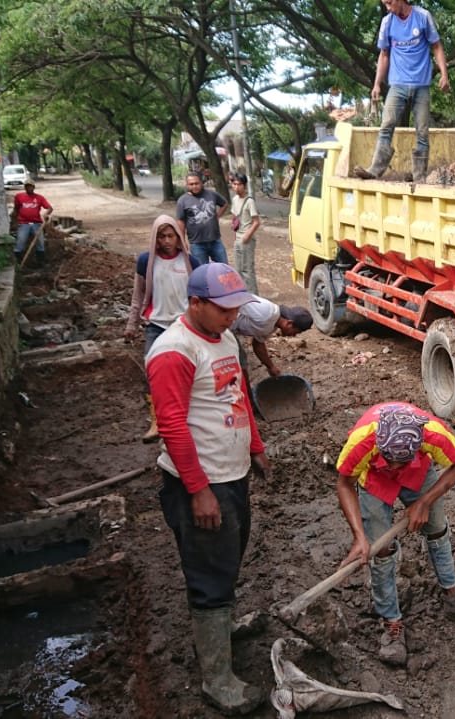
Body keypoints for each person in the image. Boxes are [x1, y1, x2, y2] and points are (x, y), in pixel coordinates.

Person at [146, 262, 269, 715]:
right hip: (200, 484)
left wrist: (255, 446)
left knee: (229, 557)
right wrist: (199, 490)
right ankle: (217, 680)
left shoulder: (227, 338)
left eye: (237, 309)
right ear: (195, 303)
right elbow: (172, 425)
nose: (232, 317)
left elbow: (239, 394)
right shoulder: (173, 351)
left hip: (231, 476)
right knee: (209, 575)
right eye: (223, 310)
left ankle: (223, 627)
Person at [335, 401, 455, 666]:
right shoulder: (362, 442)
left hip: (418, 471)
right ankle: (391, 621)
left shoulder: (433, 435)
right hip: (374, 477)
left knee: (436, 528)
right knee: (380, 548)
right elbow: (344, 483)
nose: (395, 469)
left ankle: (453, 597)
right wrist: (360, 537)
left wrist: (424, 502)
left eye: (400, 463)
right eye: (392, 462)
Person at [352, 0, 450, 182]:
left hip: (421, 85)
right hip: (397, 85)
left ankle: (419, 177)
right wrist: (377, 84)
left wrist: (444, 75)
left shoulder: (423, 17)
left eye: (389, 3)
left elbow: (436, 46)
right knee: (386, 125)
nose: (387, 8)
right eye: (385, 4)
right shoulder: (387, 23)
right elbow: (384, 55)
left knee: (422, 131)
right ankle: (374, 170)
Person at [124, 215, 200, 442]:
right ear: (155, 238)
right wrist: (131, 324)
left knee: (191, 370)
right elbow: (138, 295)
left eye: (171, 236)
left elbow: (199, 297)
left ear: (179, 237)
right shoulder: (146, 262)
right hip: (156, 325)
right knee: (152, 371)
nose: (167, 241)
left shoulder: (190, 262)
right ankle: (158, 419)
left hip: (184, 325)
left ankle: (190, 414)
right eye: (161, 236)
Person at [230, 297, 313, 379]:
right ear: (289, 323)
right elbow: (236, 299)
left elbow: (258, 344)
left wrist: (271, 367)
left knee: (241, 361)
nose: (293, 335)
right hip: (220, 327)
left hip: (227, 330)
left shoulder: (272, 327)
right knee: (238, 359)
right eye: (295, 332)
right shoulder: (266, 311)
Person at [176, 173, 229, 265]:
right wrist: (182, 241)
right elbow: (181, 222)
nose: (194, 186)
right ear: (187, 185)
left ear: (201, 183)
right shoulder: (182, 200)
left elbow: (224, 204)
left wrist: (217, 216)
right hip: (197, 244)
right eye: (191, 184)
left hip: (215, 241)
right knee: (201, 272)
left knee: (223, 269)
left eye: (197, 183)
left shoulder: (212, 194)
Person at [229, 173, 261, 293]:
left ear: (244, 185)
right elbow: (234, 217)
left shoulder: (249, 201)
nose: (236, 187)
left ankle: (254, 296)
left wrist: (248, 235)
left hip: (247, 240)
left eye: (239, 184)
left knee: (247, 270)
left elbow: (256, 222)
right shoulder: (235, 199)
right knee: (238, 269)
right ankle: (242, 294)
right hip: (238, 239)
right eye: (234, 184)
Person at [11, 180, 53, 266]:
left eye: (30, 186)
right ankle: (18, 262)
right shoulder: (19, 197)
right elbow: (16, 209)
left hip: (36, 223)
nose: (29, 188)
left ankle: (41, 262)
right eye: (27, 186)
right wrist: (14, 221)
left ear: (34, 187)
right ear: (24, 187)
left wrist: (46, 214)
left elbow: (49, 208)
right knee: (20, 241)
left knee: (40, 242)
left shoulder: (39, 198)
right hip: (24, 223)